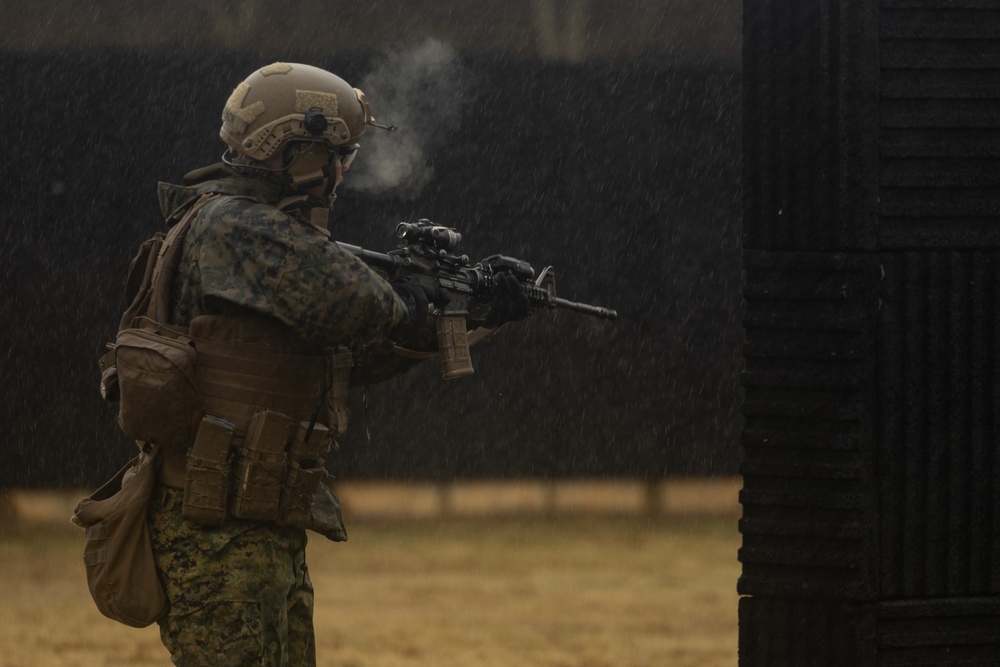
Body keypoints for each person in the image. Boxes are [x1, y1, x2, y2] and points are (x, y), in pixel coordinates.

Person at [132, 62, 526, 665]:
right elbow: (365, 306)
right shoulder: (240, 228)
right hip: (217, 531)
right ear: (294, 151)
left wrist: (471, 312)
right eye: (336, 153)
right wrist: (429, 292)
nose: (343, 170)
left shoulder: (241, 230)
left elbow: (351, 357)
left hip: (254, 522)